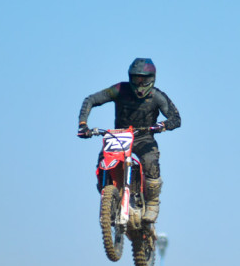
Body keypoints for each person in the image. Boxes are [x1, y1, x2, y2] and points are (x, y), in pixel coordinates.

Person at [77, 58, 181, 224]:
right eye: (135, 79)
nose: (139, 83)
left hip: (144, 137)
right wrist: (83, 125)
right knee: (102, 165)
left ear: (152, 79)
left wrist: (163, 125)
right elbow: (91, 100)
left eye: (144, 79)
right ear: (129, 77)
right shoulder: (119, 89)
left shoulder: (157, 96)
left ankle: (152, 203)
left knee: (150, 163)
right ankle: (111, 199)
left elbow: (176, 118)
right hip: (119, 136)